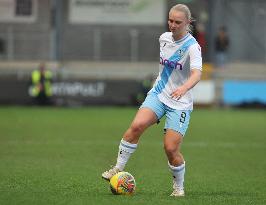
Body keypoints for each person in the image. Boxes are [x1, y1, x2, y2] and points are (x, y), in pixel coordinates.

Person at [102, 4, 202, 197]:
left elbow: (197, 74)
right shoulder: (163, 39)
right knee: (137, 126)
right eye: (170, 20)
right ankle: (117, 168)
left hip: (180, 102)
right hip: (159, 94)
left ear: (188, 23)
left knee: (171, 148)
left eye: (177, 22)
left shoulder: (192, 47)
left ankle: (178, 188)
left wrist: (184, 88)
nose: (172, 25)